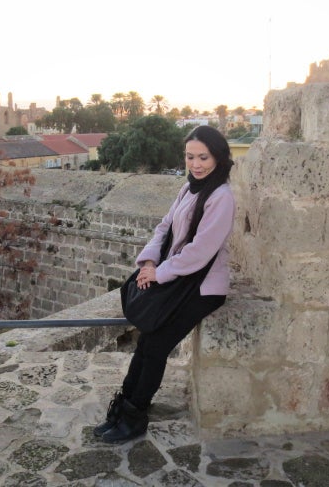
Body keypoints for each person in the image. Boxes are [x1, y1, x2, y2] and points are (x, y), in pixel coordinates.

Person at [96, 125, 236, 443]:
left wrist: (159, 274)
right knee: (145, 342)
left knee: (157, 345)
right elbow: (164, 227)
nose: (196, 164)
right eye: (190, 157)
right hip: (177, 278)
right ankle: (123, 407)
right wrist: (149, 262)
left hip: (202, 287)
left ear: (218, 157)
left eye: (203, 157)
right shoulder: (189, 189)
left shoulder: (221, 197)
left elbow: (201, 251)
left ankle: (135, 417)